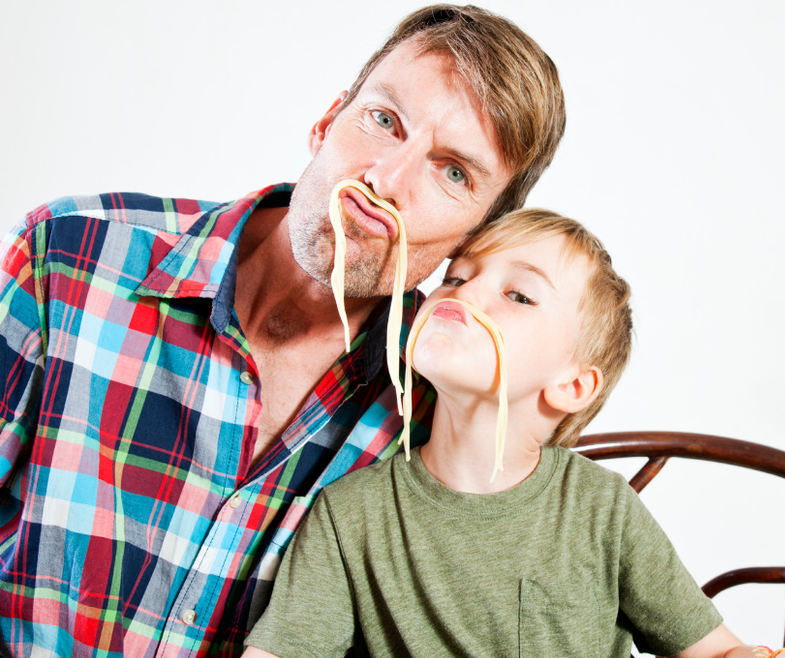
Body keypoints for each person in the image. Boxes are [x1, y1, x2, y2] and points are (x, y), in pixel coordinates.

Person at [0, 6, 564, 657]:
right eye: (384, 120)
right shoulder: (69, 256)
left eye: (453, 172)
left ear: (477, 238)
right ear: (326, 122)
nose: (384, 181)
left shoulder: (444, 417)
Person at [240, 209, 785, 658]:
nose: (465, 294)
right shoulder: (351, 514)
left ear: (572, 385)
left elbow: (715, 652)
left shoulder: (601, 511)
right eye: (457, 277)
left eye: (519, 295)